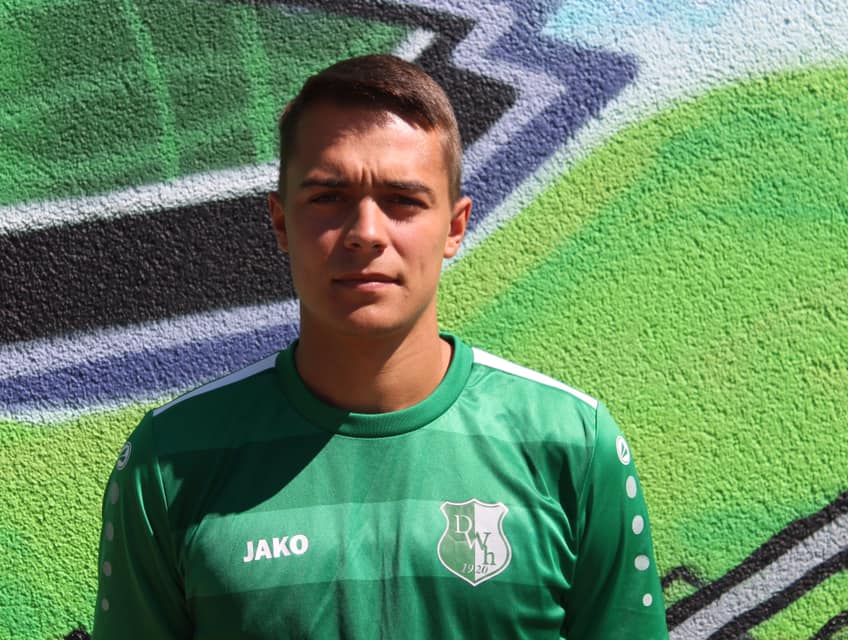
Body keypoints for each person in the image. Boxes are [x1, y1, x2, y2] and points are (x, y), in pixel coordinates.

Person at [92, 54, 669, 639]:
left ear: (455, 227)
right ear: (281, 223)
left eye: (402, 200)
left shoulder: (573, 444)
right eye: (328, 197)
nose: (366, 233)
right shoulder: (169, 460)